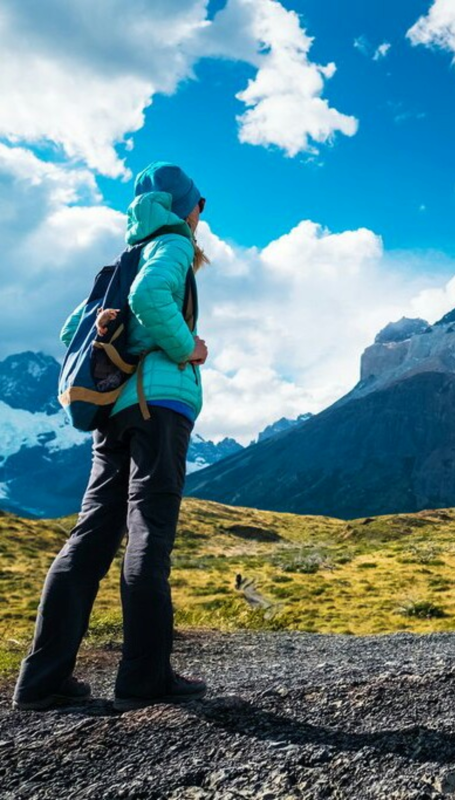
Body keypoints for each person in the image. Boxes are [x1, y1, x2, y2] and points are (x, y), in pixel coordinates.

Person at [13, 162, 211, 713]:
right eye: (199, 204)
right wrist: (186, 347)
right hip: (157, 405)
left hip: (113, 410)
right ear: (184, 207)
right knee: (150, 530)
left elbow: (70, 329)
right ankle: (145, 677)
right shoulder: (172, 244)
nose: (201, 214)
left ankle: (42, 681)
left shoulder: (123, 259)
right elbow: (150, 297)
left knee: (92, 536)